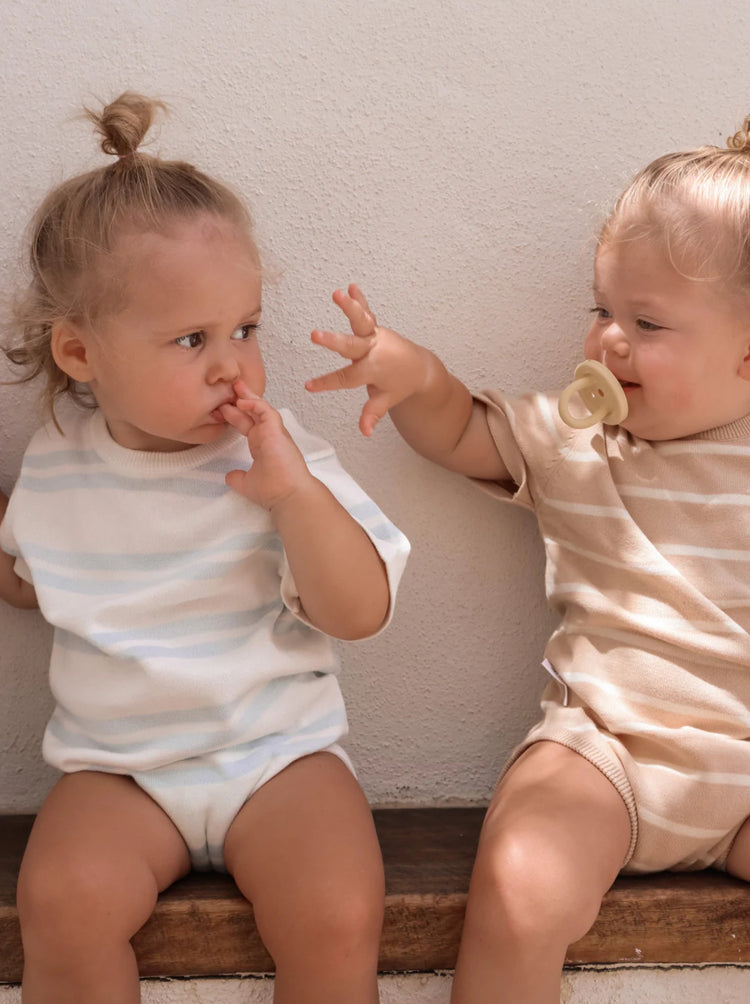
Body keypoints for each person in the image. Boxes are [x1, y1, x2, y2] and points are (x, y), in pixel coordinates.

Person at [306, 117, 750, 1003]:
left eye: (647, 323)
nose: (608, 342)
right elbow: (466, 431)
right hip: (607, 752)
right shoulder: (578, 438)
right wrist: (414, 376)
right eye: (603, 311)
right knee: (517, 888)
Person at [0, 91, 410, 1004]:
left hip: (278, 757)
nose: (233, 365)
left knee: (337, 908)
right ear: (78, 354)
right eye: (192, 339)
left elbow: (361, 612)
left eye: (245, 329)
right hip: (119, 769)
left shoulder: (279, 453)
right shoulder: (58, 467)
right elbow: (35, 583)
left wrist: (295, 502)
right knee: (61, 903)